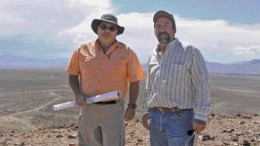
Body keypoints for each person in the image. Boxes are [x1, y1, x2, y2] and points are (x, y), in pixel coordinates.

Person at [66, 14, 144, 146]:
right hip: (88, 108)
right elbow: (72, 75)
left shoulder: (127, 52)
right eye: (103, 26)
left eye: (112, 28)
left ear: (116, 32)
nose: (107, 30)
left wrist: (132, 106)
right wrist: (77, 93)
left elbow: (134, 81)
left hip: (113, 111)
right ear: (97, 29)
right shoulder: (82, 50)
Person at [142, 10, 212, 146]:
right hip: (156, 118)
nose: (162, 29)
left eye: (166, 25)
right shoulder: (152, 55)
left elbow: (202, 84)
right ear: (154, 31)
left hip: (181, 119)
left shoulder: (190, 51)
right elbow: (149, 87)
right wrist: (146, 111)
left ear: (174, 29)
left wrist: (201, 115)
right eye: (158, 26)